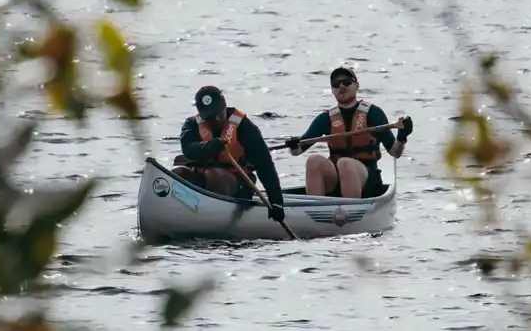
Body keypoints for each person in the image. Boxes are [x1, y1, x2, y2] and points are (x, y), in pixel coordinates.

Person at [285, 66, 412, 198]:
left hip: (367, 176)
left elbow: (395, 152)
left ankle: (349, 213)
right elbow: (298, 151)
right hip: (335, 177)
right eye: (336, 84)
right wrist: (294, 145)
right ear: (332, 91)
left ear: (356, 86)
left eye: (346, 82)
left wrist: (402, 137)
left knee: (345, 163)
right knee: (313, 160)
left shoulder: (373, 113)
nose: (341, 87)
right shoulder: (325, 119)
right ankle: (315, 210)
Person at [174, 85, 287, 222]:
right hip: (204, 179)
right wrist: (210, 147)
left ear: (224, 108)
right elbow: (188, 149)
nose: (215, 121)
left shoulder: (245, 127)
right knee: (178, 172)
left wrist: (276, 201)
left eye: (218, 115)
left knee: (216, 175)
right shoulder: (192, 124)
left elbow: (265, 166)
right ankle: (177, 212)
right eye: (209, 118)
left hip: (238, 183)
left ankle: (212, 220)